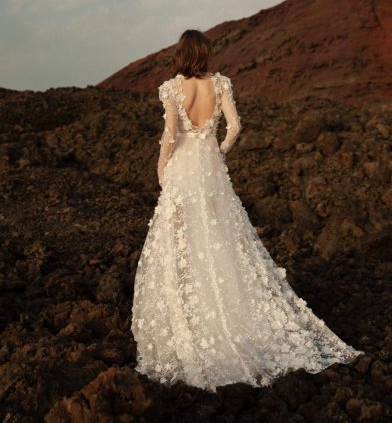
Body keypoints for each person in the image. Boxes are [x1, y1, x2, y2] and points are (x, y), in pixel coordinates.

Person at [131, 29, 364, 393]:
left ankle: (191, 322)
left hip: (182, 170)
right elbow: (236, 126)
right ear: (204, 52)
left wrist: (162, 169)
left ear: (180, 54)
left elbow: (170, 135)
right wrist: (218, 151)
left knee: (182, 242)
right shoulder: (221, 83)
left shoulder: (172, 87)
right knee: (223, 238)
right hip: (210, 169)